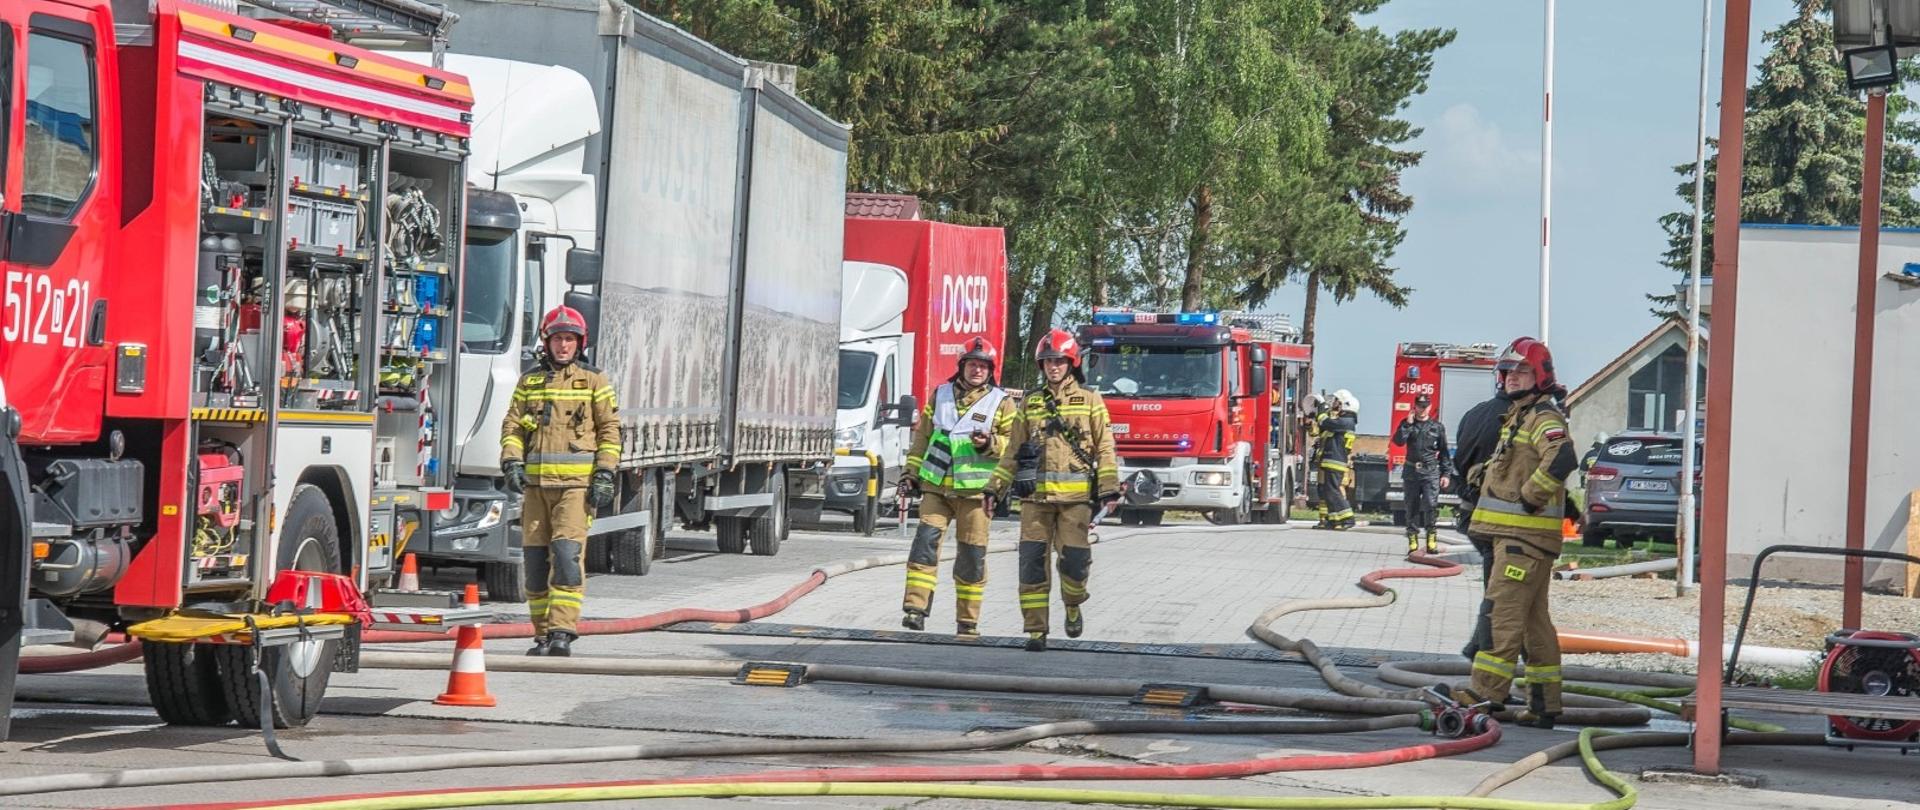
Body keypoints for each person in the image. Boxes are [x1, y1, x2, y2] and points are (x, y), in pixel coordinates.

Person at [1457, 337, 1577, 728]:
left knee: (1500, 616)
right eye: (1507, 370)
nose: (1511, 377)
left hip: (1521, 540)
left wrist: (1529, 497)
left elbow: (1562, 457)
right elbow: (1517, 465)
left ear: (1540, 374)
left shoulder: (1543, 418)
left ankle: (1483, 695)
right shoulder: (1520, 417)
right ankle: (1544, 704)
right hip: (1524, 541)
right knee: (1532, 626)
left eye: (1521, 370)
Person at [499, 306, 621, 657]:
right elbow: (512, 426)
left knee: (567, 557)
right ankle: (541, 635)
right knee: (535, 565)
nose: (563, 345)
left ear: (580, 343)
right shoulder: (529, 381)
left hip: (575, 488)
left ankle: (562, 632)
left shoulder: (594, 380)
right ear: (546, 341)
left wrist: (605, 472)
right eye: (557, 339)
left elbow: (610, 430)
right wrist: (511, 462)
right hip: (536, 489)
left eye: (569, 339)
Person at [988, 328, 1120, 652]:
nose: (1053, 366)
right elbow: (1012, 451)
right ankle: (1036, 631)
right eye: (1048, 361)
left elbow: (1105, 448)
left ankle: (1073, 604)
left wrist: (1109, 490)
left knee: (1075, 564)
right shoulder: (1030, 402)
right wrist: (994, 489)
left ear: (1071, 362)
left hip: (1075, 501)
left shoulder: (1091, 400)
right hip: (1034, 500)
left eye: (1059, 360)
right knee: (1031, 564)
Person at [898, 337, 1017, 637]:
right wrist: (910, 474)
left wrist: (990, 443)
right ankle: (915, 609)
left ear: (991, 370)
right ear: (961, 365)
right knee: (924, 547)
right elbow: (922, 439)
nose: (977, 370)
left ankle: (967, 621)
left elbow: (1014, 444)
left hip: (976, 494)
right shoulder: (940, 395)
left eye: (983, 366)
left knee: (971, 557)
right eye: (972, 364)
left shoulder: (1001, 402)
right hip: (936, 488)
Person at [1452, 384, 1511, 660]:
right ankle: (1485, 652)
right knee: (1502, 592)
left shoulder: (1474, 414)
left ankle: (1479, 646)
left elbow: (1459, 463)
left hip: (1471, 512)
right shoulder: (1524, 418)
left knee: (1498, 587)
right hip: (1502, 520)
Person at [1393, 393, 1451, 555]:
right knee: (1411, 506)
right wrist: (1408, 424)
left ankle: (1431, 539)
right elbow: (1398, 441)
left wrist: (1446, 473)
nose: (1422, 409)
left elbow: (1444, 452)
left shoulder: (1437, 427)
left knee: (1431, 505)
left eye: (1425, 406)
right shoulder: (1407, 424)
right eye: (1420, 406)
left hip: (1430, 471)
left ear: (1430, 407)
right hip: (1411, 471)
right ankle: (1413, 540)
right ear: (1415, 406)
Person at [1315, 390, 1359, 530]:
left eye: (1338, 402)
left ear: (1344, 405)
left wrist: (1321, 406)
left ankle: (1348, 518)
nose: (1335, 404)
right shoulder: (1344, 421)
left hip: (1335, 462)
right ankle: (1334, 519)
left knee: (1334, 491)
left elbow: (1324, 421)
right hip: (1332, 461)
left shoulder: (1345, 422)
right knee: (1329, 491)